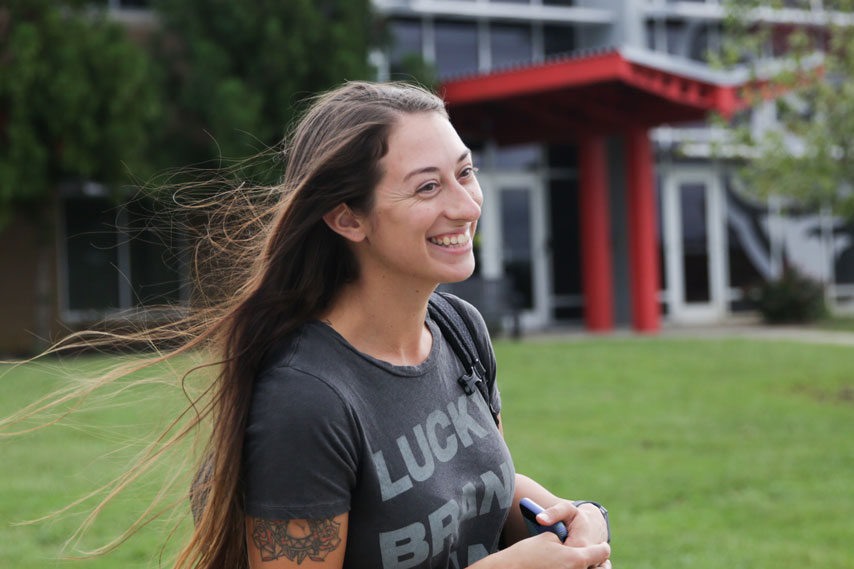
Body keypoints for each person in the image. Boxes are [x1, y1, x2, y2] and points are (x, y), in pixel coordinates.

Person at [5, 82, 611, 569]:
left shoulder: (460, 330)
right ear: (348, 218)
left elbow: (479, 484)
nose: (466, 204)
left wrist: (568, 516)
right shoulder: (308, 399)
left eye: (465, 171)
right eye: (428, 186)